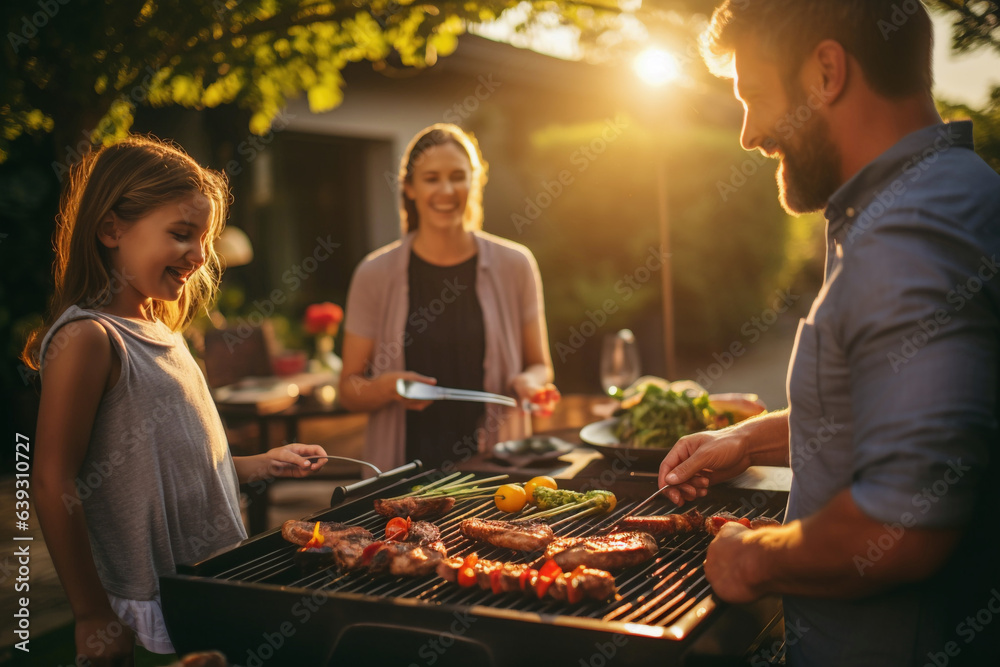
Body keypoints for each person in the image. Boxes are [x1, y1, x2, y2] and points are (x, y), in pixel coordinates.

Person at [658, 1, 1000, 665]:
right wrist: (746, 436)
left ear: (825, 72)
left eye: (754, 94)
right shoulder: (956, 193)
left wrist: (749, 559)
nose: (749, 134)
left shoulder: (908, 239)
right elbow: (903, 409)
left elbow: (900, 526)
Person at [22, 136, 330, 666]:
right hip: (148, 609)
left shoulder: (164, 330)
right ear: (111, 228)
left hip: (211, 581)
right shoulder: (91, 339)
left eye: (203, 239)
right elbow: (52, 481)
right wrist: (92, 614)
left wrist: (260, 464)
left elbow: (174, 462)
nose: (199, 255)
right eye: (181, 234)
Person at [339, 123, 560, 472]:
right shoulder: (373, 273)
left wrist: (530, 383)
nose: (446, 189)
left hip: (497, 472)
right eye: (431, 178)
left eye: (458, 176)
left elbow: (540, 365)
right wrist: (387, 388)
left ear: (474, 181)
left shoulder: (516, 264)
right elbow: (348, 389)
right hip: (401, 475)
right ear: (409, 188)